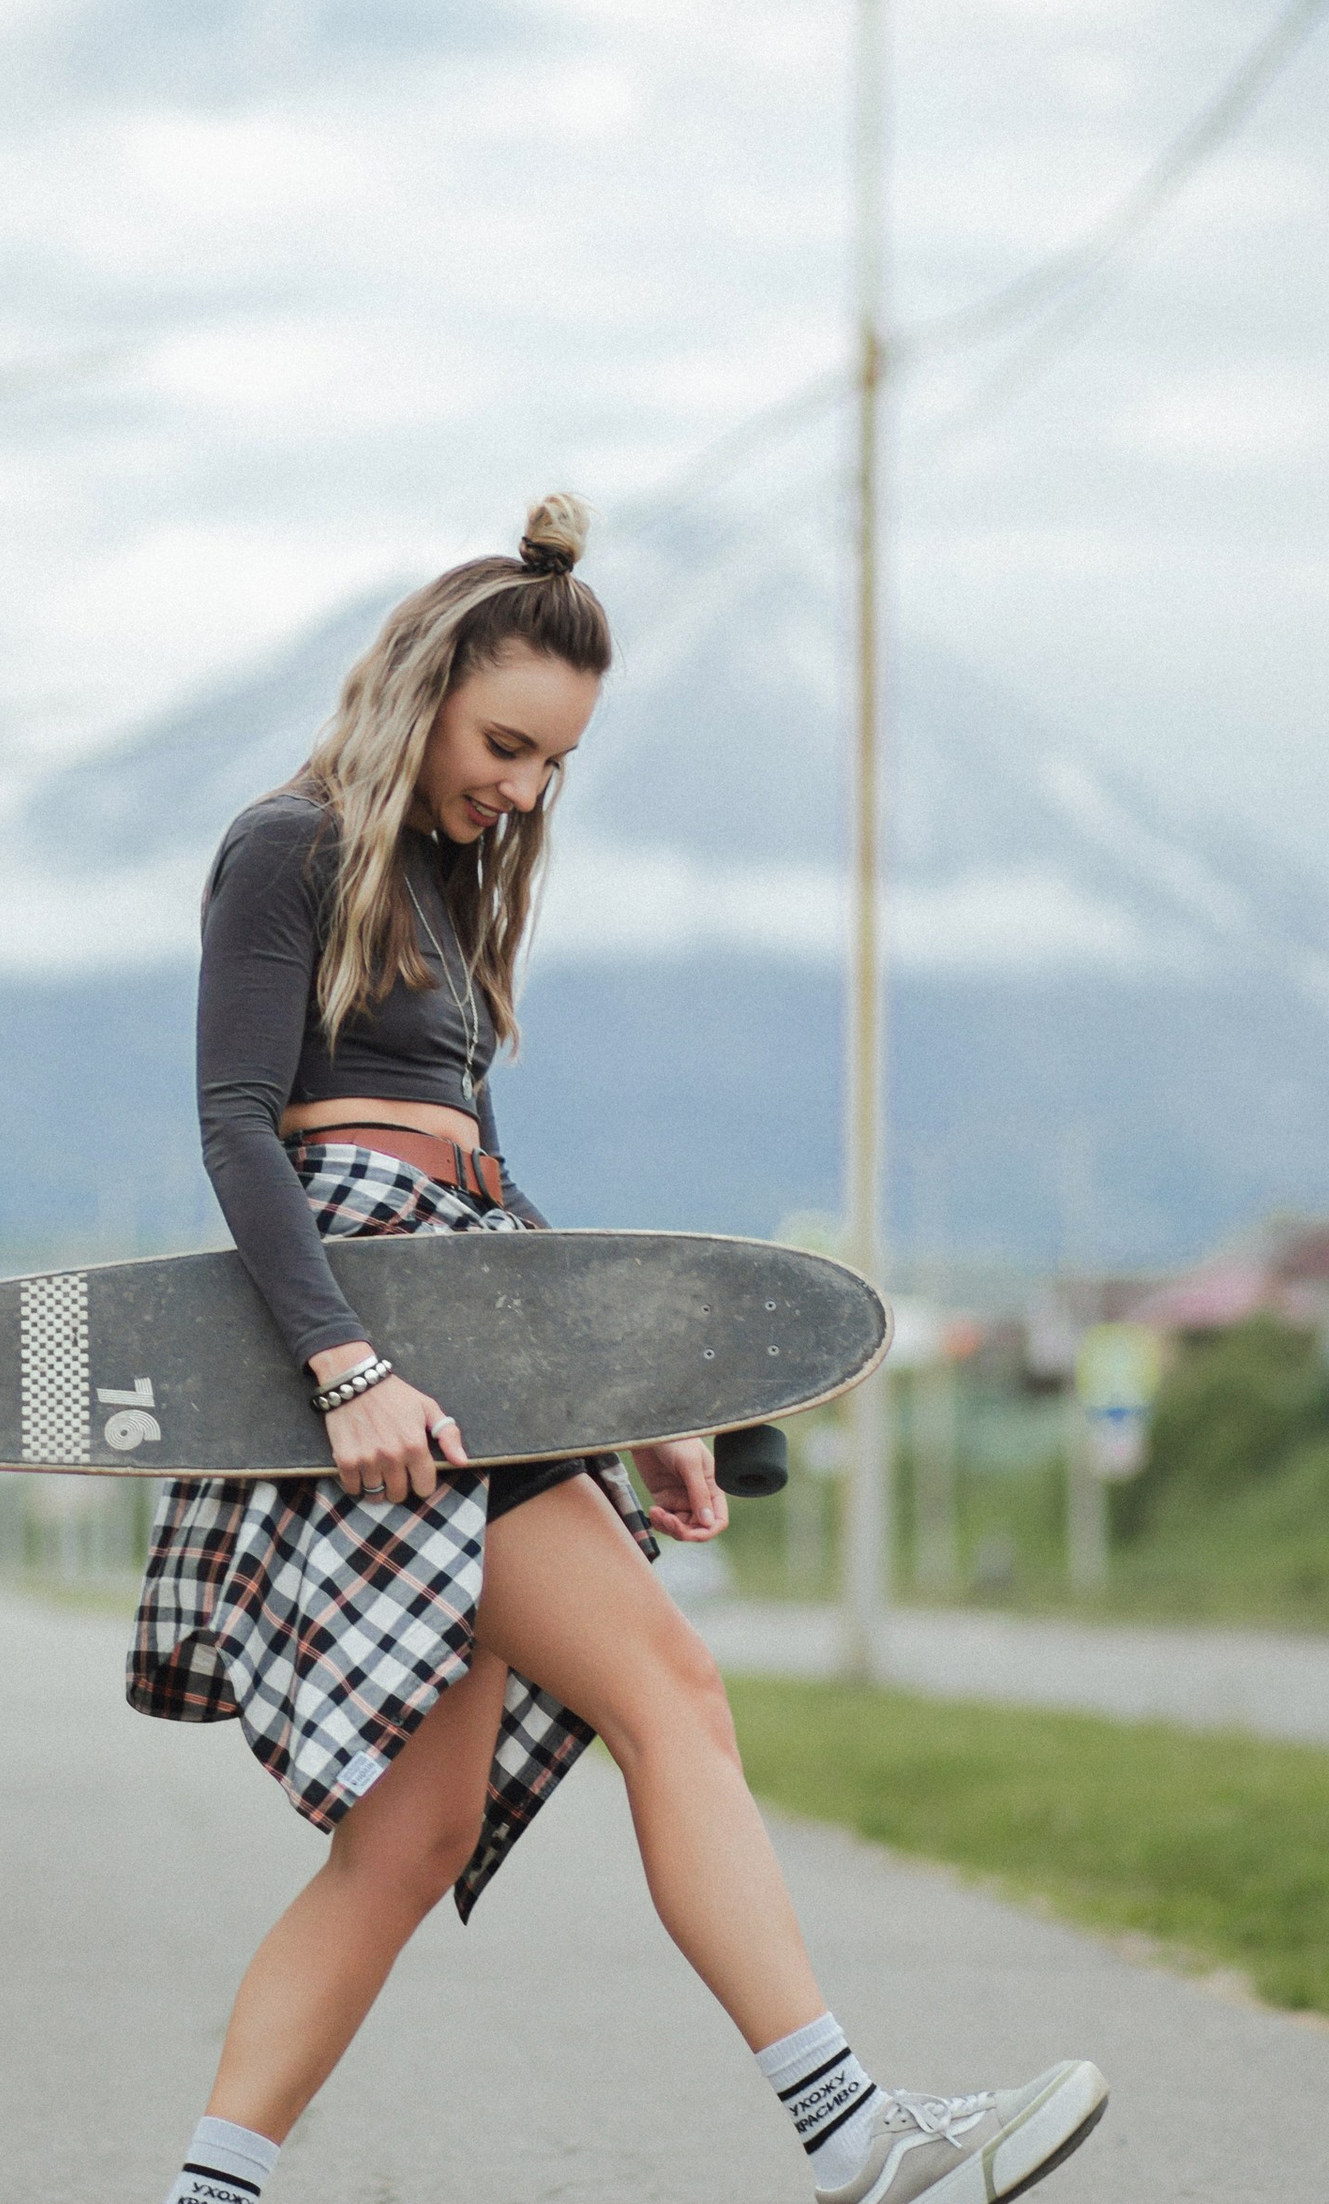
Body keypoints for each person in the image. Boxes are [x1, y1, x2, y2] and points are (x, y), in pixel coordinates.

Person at [129, 496, 1107, 2204]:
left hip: (471, 1342)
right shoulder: (286, 848)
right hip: (377, 1349)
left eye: (552, 766)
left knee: (417, 1835)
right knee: (673, 1691)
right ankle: (862, 2141)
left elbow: (491, 1185)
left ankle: (203, 2198)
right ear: (419, 689)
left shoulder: (447, 884)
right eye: (504, 743)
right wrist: (345, 1372)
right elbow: (234, 1131)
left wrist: (625, 1405)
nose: (520, 787)